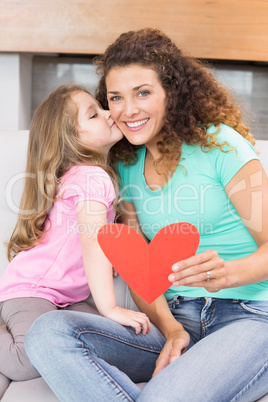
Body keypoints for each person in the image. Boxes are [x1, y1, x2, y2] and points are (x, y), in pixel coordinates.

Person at [25, 28, 268, 401]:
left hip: (250, 315)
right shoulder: (124, 165)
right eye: (115, 97)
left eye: (143, 93)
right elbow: (140, 267)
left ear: (172, 92)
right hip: (176, 316)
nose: (128, 110)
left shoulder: (222, 146)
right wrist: (171, 329)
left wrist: (228, 273)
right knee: (46, 333)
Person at [0, 83, 150, 398]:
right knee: (26, 360)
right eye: (94, 114)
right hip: (35, 290)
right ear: (72, 137)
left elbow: (104, 238)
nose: (110, 114)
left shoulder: (88, 175)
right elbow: (93, 241)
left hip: (68, 297)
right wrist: (110, 307)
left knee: (100, 343)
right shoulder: (92, 178)